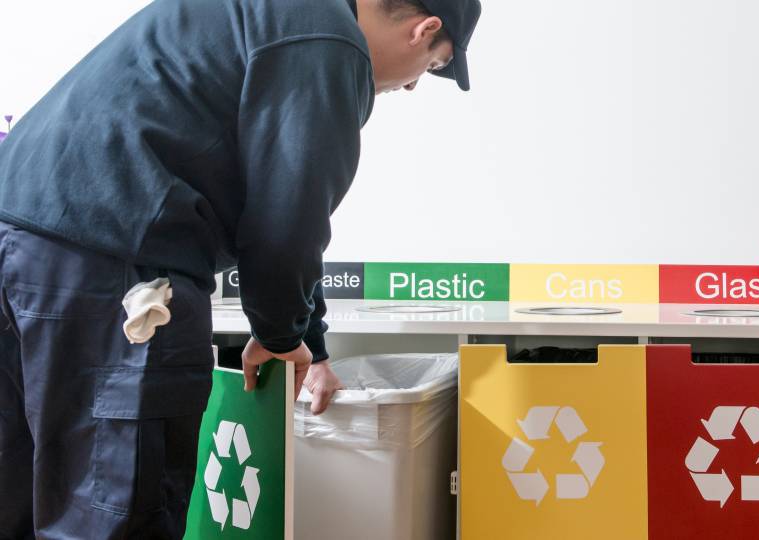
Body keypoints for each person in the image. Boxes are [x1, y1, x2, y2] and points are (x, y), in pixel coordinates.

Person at [0, 0, 480, 536]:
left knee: (15, 491)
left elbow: (276, 202)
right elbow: (287, 215)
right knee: (111, 514)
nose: (412, 86)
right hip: (115, 269)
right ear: (424, 30)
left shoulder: (276, 13)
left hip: (20, 242)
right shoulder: (330, 41)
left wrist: (306, 341)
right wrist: (280, 333)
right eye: (433, 67)